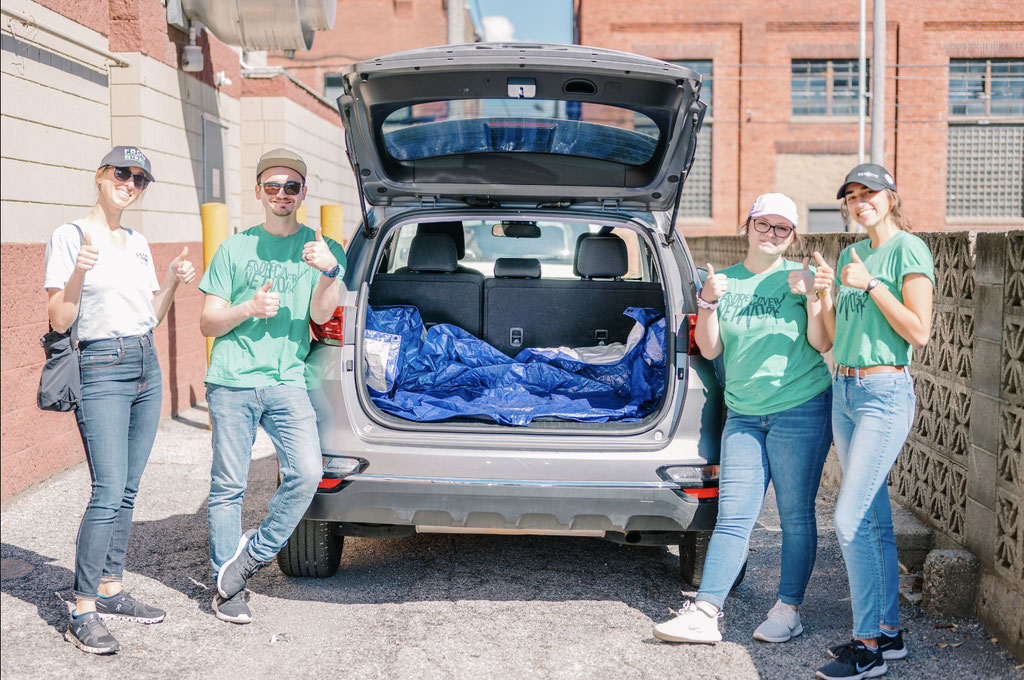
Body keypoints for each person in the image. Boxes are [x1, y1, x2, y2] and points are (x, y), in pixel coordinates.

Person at [652, 193, 833, 645]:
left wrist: (816, 296)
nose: (771, 234)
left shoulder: (800, 278)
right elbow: (711, 350)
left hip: (802, 408)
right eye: (763, 224)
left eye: (782, 228)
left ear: (793, 235)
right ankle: (706, 611)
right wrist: (708, 303)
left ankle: (788, 609)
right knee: (733, 517)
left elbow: (823, 342)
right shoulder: (725, 282)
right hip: (745, 416)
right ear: (747, 225)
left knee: (795, 516)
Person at [44, 146, 196, 654]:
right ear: (100, 176)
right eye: (121, 173)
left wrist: (172, 278)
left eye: (139, 179)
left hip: (144, 364)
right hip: (100, 366)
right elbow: (60, 320)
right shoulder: (70, 237)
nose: (129, 183)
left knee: (129, 488)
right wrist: (79, 271)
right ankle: (82, 608)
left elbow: (151, 315)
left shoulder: (137, 241)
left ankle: (111, 588)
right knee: (107, 489)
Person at [199, 148, 345, 625]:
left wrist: (328, 270)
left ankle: (247, 560)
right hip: (232, 381)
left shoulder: (323, 247)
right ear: (258, 191)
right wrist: (247, 309)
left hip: (286, 380)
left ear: (304, 192)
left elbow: (322, 315)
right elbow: (207, 322)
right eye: (272, 186)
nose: (282, 194)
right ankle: (228, 588)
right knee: (228, 487)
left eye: (291, 186)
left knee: (306, 472)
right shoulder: (235, 248)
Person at [812, 164, 934, 680]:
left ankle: (868, 649)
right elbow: (832, 338)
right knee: (875, 520)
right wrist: (822, 294)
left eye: (870, 193)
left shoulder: (909, 249)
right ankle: (889, 633)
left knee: (848, 518)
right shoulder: (848, 254)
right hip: (844, 387)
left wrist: (871, 284)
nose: (860, 202)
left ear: (890, 197)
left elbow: (919, 331)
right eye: (852, 196)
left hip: (884, 392)